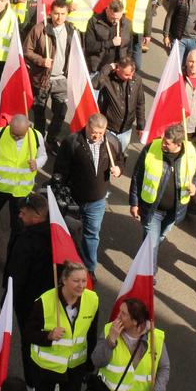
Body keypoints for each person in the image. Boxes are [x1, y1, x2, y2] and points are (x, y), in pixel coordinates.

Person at [25, 260, 99, 391]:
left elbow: (91, 334)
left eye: (84, 280)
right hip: (46, 367)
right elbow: (28, 334)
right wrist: (48, 336)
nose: (81, 285)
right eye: (76, 281)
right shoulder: (44, 301)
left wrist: (89, 366)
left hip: (74, 368)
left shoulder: (92, 300)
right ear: (63, 280)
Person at [52, 114, 122, 275]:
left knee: (92, 235)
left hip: (97, 200)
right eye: (94, 131)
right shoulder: (72, 142)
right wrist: (60, 189)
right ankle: (67, 268)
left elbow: (120, 160)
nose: (97, 135)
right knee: (69, 234)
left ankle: (89, 269)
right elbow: (60, 169)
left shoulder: (111, 142)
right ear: (87, 126)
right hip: (73, 199)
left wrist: (119, 169)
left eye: (101, 132)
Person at [129, 124, 196, 269]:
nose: (162, 143)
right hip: (153, 209)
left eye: (167, 143)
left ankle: (144, 257)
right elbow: (137, 175)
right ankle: (148, 275)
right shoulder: (151, 148)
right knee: (152, 244)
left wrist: (195, 185)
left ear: (178, 144)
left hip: (175, 211)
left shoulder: (192, 153)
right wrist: (134, 202)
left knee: (159, 238)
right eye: (163, 139)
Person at [2, 193, 56, 390]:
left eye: (23, 213)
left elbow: (16, 276)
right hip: (51, 302)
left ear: (36, 216)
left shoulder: (26, 240)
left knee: (29, 342)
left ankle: (32, 384)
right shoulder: (57, 235)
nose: (20, 216)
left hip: (28, 303)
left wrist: (5, 305)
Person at [0, 114, 47, 245]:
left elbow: (43, 156)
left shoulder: (36, 136)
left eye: (19, 136)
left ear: (28, 129)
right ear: (9, 125)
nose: (15, 137)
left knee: (18, 222)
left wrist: (37, 163)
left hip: (20, 190)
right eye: (13, 133)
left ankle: (14, 246)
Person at [23, 0, 74, 152]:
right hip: (42, 79)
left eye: (62, 14)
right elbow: (27, 51)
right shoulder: (39, 29)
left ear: (67, 14)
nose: (59, 17)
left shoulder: (72, 30)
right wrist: (41, 60)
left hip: (62, 80)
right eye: (56, 13)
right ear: (50, 13)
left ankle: (51, 140)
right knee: (39, 111)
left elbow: (77, 54)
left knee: (60, 113)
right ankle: (38, 140)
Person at [97, 57, 145, 154]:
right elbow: (95, 84)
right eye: (127, 74)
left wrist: (140, 125)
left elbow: (140, 103)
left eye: (132, 73)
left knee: (121, 156)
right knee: (105, 156)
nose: (131, 77)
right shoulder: (107, 79)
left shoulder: (137, 80)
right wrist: (108, 68)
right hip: (109, 128)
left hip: (126, 130)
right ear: (118, 69)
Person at [84, 0, 133, 72]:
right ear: (107, 11)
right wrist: (111, 43)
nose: (116, 21)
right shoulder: (94, 22)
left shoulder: (126, 24)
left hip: (118, 68)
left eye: (118, 18)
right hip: (99, 67)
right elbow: (89, 46)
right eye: (113, 18)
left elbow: (129, 47)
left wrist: (127, 63)